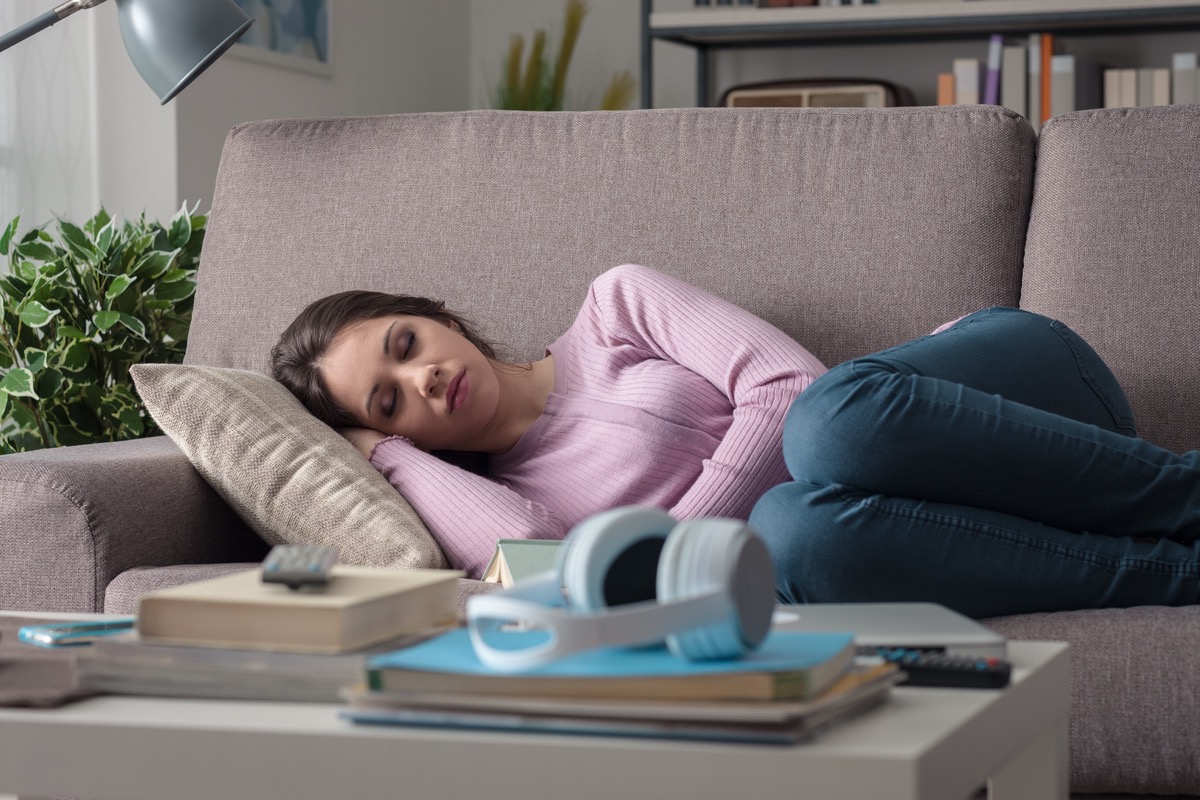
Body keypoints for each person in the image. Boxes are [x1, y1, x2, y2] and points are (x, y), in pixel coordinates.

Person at [271, 264, 1200, 618]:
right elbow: (560, 569)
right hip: (925, 523)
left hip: (1009, 400)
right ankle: (1179, 573)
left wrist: (676, 549)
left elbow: (790, 387)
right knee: (799, 541)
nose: (422, 380)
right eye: (388, 406)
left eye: (405, 345)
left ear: (434, 314)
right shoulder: (524, 509)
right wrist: (388, 463)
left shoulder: (615, 307)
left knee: (828, 423)